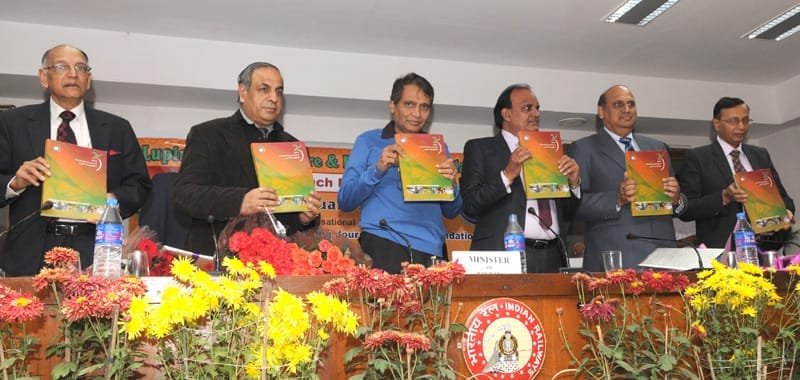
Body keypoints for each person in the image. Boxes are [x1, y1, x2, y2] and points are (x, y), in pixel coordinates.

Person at [0, 44, 152, 276]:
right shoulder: (12, 123)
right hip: (31, 247)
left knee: (92, 312)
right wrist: (15, 183)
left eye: (81, 68)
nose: (73, 73)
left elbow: (140, 186)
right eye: (62, 66)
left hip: (95, 246)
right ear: (44, 77)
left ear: (88, 80)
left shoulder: (116, 127)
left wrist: (112, 200)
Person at [173, 62, 321, 256]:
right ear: (243, 92)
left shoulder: (293, 147)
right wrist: (240, 201)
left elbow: (290, 218)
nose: (273, 98)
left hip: (278, 262)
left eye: (279, 92)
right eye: (264, 89)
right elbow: (184, 195)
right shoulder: (208, 134)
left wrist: (303, 218)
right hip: (220, 258)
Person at [338, 73, 462, 274]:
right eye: (410, 104)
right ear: (393, 106)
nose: (417, 113)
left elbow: (452, 211)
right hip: (383, 242)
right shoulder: (369, 141)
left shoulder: (438, 147)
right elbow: (345, 200)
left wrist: (452, 185)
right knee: (382, 306)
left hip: (431, 249)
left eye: (424, 107)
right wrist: (378, 169)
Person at [460, 84, 580, 273]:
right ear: (506, 115)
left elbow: (570, 214)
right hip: (503, 257)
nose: (535, 114)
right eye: (527, 108)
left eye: (537, 108)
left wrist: (573, 183)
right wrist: (507, 175)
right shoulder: (480, 149)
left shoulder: (550, 151)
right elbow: (470, 205)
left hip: (552, 257)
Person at [568, 85, 686, 271]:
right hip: (617, 256)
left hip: (664, 256)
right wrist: (617, 198)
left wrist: (677, 198)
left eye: (631, 104)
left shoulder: (657, 147)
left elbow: (680, 205)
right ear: (601, 112)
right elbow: (575, 207)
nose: (627, 109)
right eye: (618, 104)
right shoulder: (584, 149)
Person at [677, 97, 795, 248]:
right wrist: (724, 197)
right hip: (722, 251)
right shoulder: (698, 158)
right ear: (717, 124)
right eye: (733, 121)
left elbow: (783, 198)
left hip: (766, 247)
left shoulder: (760, 155)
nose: (741, 126)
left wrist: (787, 211)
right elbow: (686, 210)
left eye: (746, 121)